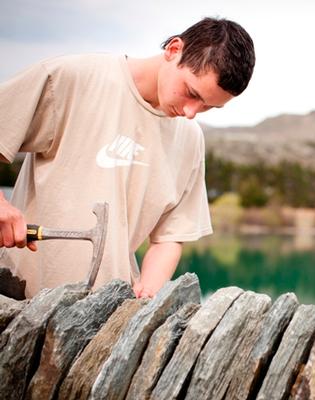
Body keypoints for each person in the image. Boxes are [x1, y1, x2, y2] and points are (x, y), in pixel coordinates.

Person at [0, 17, 255, 298]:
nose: (192, 112)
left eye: (209, 106)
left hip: (106, 318)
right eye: (191, 93)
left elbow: (169, 238)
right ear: (174, 50)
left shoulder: (190, 139)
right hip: (16, 299)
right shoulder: (71, 77)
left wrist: (146, 293)